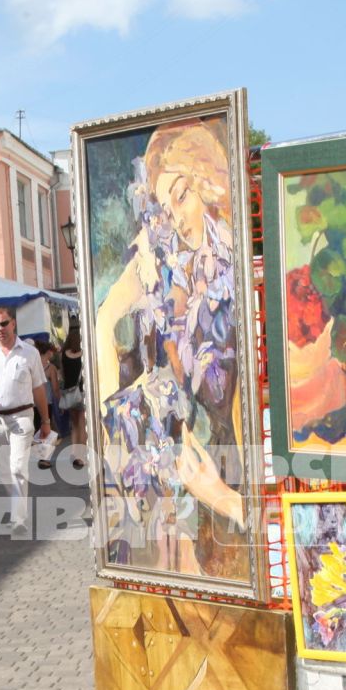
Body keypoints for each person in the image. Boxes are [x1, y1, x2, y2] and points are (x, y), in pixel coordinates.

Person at [91, 118, 248, 577]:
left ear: (208, 182)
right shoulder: (175, 272)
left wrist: (225, 495)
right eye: (166, 205)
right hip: (204, 482)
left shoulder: (233, 271)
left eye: (181, 195)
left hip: (235, 479)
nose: (176, 217)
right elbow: (105, 320)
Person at [0, 308, 51, 535]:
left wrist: (46, 420)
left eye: (3, 324)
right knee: (6, 471)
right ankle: (18, 509)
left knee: (17, 467)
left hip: (22, 416)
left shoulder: (29, 352)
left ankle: (19, 519)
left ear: (13, 323)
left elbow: (38, 388)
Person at [59, 324, 86, 445]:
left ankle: (75, 452)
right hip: (81, 391)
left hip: (69, 392)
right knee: (82, 423)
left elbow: (63, 374)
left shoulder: (64, 354)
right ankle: (83, 454)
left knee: (74, 424)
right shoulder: (84, 354)